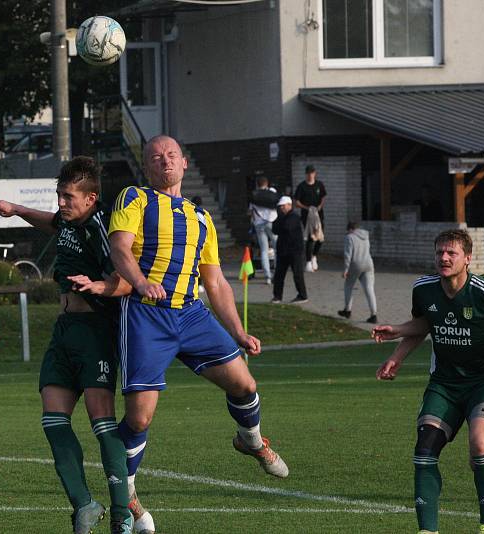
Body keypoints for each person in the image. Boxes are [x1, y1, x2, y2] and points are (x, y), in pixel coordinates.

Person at [109, 135, 288, 534]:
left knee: (244, 383)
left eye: (171, 154)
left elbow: (217, 283)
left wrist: (238, 331)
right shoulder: (134, 198)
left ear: (184, 163)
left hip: (191, 314)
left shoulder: (200, 217)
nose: (165, 161)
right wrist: (139, 282)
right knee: (139, 419)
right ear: (147, 166)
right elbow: (119, 248)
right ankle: (128, 497)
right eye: (156, 157)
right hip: (145, 316)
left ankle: (251, 440)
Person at [0, 156, 134, 534]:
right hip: (64, 329)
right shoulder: (68, 221)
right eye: (60, 195)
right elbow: (50, 222)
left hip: (95, 331)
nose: (62, 203)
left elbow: (127, 279)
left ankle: (122, 513)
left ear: (91, 198)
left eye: (68, 197)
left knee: (101, 420)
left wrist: (100, 286)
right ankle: (85, 504)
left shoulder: (103, 228)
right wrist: (14, 209)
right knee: (53, 420)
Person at [373, 229, 484, 534]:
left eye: (451, 253)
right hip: (443, 385)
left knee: (480, 444)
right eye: (439, 253)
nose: (443, 258)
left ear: (468, 259)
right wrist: (398, 345)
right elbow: (425, 323)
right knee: (424, 449)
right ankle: (427, 531)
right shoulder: (424, 288)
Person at [271, 196, 308, 304]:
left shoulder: (294, 217)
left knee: (297, 273)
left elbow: (286, 227)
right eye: (280, 206)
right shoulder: (280, 217)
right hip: (283, 250)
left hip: (295, 251)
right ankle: (277, 296)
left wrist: (280, 221)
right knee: (279, 274)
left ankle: (302, 295)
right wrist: (279, 220)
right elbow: (275, 229)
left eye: (283, 206)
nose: (281, 208)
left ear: (289, 205)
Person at [338, 222, 377, 323]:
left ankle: (347, 310)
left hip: (356, 264)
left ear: (350, 229)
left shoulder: (349, 237)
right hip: (368, 263)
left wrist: (346, 270)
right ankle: (374, 315)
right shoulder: (365, 235)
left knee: (348, 286)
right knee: (369, 289)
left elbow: (348, 255)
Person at [294, 165, 327, 272]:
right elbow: (297, 202)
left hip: (318, 215)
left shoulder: (319, 185)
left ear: (314, 173)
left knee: (320, 237)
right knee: (310, 238)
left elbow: (323, 197)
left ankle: (314, 256)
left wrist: (320, 206)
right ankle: (308, 262)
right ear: (306, 174)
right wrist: (306, 208)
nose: (310, 175)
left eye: (312, 173)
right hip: (306, 216)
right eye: (308, 173)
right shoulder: (301, 186)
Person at [248, 176, 278, 285]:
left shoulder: (254, 195)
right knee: (276, 248)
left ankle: (268, 276)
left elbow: (250, 211)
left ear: (257, 184)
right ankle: (277, 273)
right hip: (272, 222)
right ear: (267, 183)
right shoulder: (272, 192)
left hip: (259, 224)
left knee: (264, 250)